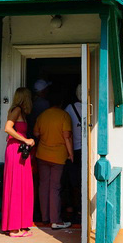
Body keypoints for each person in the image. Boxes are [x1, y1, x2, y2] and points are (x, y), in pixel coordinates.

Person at [34, 95, 73, 229]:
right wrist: (71, 154)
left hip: (42, 155)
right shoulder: (64, 116)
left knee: (43, 186)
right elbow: (67, 137)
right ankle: (55, 220)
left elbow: (36, 134)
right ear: (61, 102)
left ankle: (44, 217)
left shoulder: (42, 115)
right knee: (55, 187)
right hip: (58, 156)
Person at [2, 87, 35, 237]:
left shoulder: (17, 110)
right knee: (16, 185)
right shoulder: (17, 110)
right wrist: (25, 139)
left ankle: (19, 225)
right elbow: (7, 129)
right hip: (16, 150)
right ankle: (14, 228)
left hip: (17, 150)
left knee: (21, 186)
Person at [62, 84, 83, 223]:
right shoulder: (90, 107)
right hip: (86, 149)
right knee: (84, 181)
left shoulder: (69, 109)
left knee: (72, 181)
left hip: (72, 150)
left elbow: (65, 132)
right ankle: (82, 209)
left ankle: (73, 208)